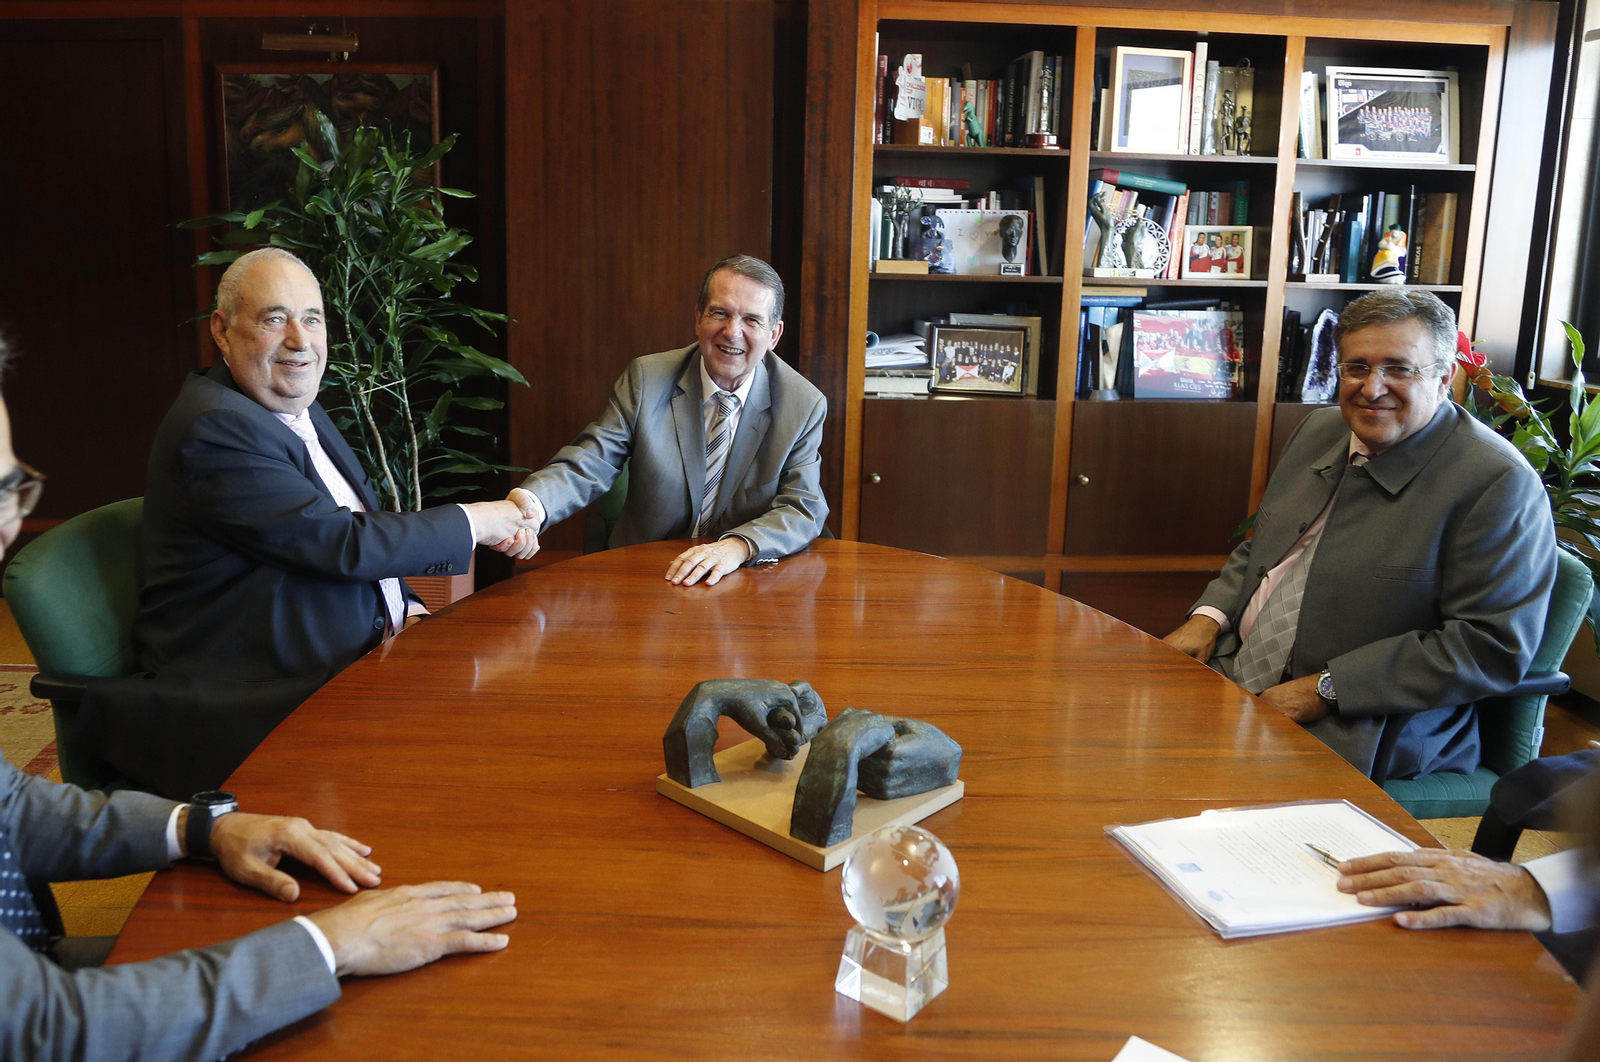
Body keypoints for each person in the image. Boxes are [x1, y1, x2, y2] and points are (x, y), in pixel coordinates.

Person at [0, 337, 518, 1062]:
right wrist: (329, 944)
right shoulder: (216, 422)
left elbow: (12, 809)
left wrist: (198, 830)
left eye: (10, 485)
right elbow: (50, 1031)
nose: (10, 522)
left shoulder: (278, 406)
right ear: (224, 331)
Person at [76, 248, 540, 798]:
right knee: (479, 774)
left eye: (312, 319)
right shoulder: (216, 428)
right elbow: (340, 543)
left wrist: (409, 607)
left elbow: (345, 529)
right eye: (275, 319)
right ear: (221, 331)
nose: (300, 340)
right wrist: (480, 520)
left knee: (518, 714)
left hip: (350, 657)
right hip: (267, 696)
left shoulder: (291, 406)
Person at [1162, 289, 1556, 781]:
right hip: (1235, 669)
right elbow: (1264, 546)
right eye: (1357, 367)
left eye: (1399, 368)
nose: (1372, 388)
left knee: (1188, 787)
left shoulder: (1497, 483)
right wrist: (1208, 617)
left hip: (1366, 721)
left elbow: (1488, 646)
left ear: (1443, 376)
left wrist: (1329, 688)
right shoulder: (1319, 430)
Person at [502, 255, 828, 588]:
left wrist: (737, 547)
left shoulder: (802, 403)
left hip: (743, 576)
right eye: (720, 313)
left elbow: (803, 507)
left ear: (774, 334)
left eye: (751, 320)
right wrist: (532, 505)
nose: (732, 332)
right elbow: (590, 461)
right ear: (698, 318)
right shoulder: (648, 379)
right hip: (647, 571)